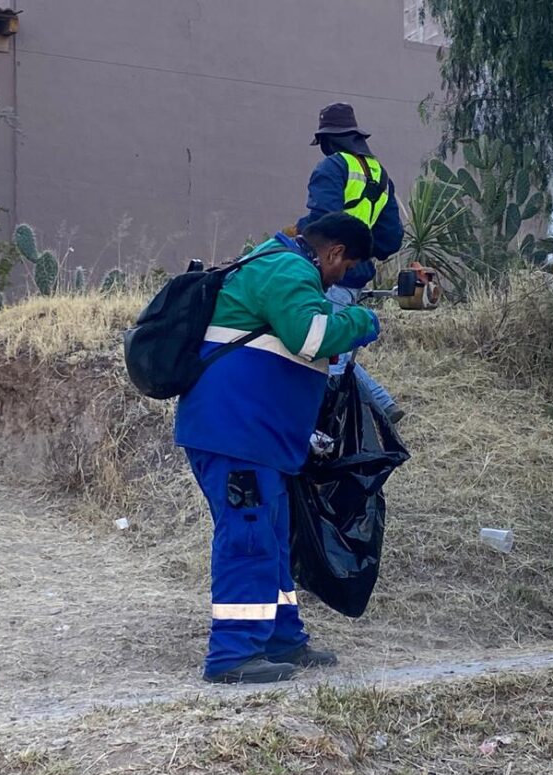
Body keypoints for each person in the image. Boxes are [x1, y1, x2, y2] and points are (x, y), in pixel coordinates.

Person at [175, 212, 381, 684]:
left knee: (270, 536)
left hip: (252, 436)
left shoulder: (274, 265)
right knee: (248, 539)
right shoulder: (287, 270)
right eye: (344, 270)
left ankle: (281, 637)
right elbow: (310, 337)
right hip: (236, 436)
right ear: (333, 253)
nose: (339, 281)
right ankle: (232, 655)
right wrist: (363, 320)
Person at [297, 102, 405, 423]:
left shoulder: (331, 168)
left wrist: (297, 237)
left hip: (328, 276)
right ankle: (383, 405)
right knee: (336, 350)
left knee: (326, 358)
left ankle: (362, 415)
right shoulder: (381, 176)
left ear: (330, 140)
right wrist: (358, 253)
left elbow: (322, 223)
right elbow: (390, 240)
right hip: (355, 280)